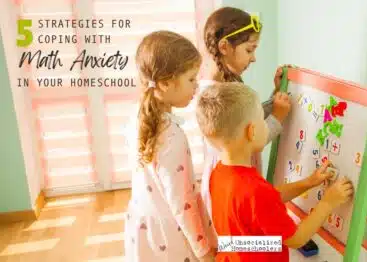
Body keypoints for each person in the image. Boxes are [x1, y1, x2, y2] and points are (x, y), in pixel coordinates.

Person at [196, 82, 355, 261]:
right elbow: (296, 239)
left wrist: (309, 182)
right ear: (252, 131)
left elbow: (263, 201)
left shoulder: (219, 173)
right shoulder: (255, 190)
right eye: (263, 121)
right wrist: (328, 202)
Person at [124, 30, 216, 261]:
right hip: (171, 235)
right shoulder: (172, 137)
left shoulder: (137, 116)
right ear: (165, 83)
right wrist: (203, 251)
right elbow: (181, 203)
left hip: (145, 225)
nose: (196, 86)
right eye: (191, 79)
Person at [199, 5, 290, 226]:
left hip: (236, 178)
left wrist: (275, 94)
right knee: (238, 236)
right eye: (249, 50)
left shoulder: (226, 83)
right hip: (233, 184)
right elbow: (250, 139)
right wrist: (277, 117)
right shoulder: (217, 92)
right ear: (224, 47)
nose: (254, 58)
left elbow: (249, 118)